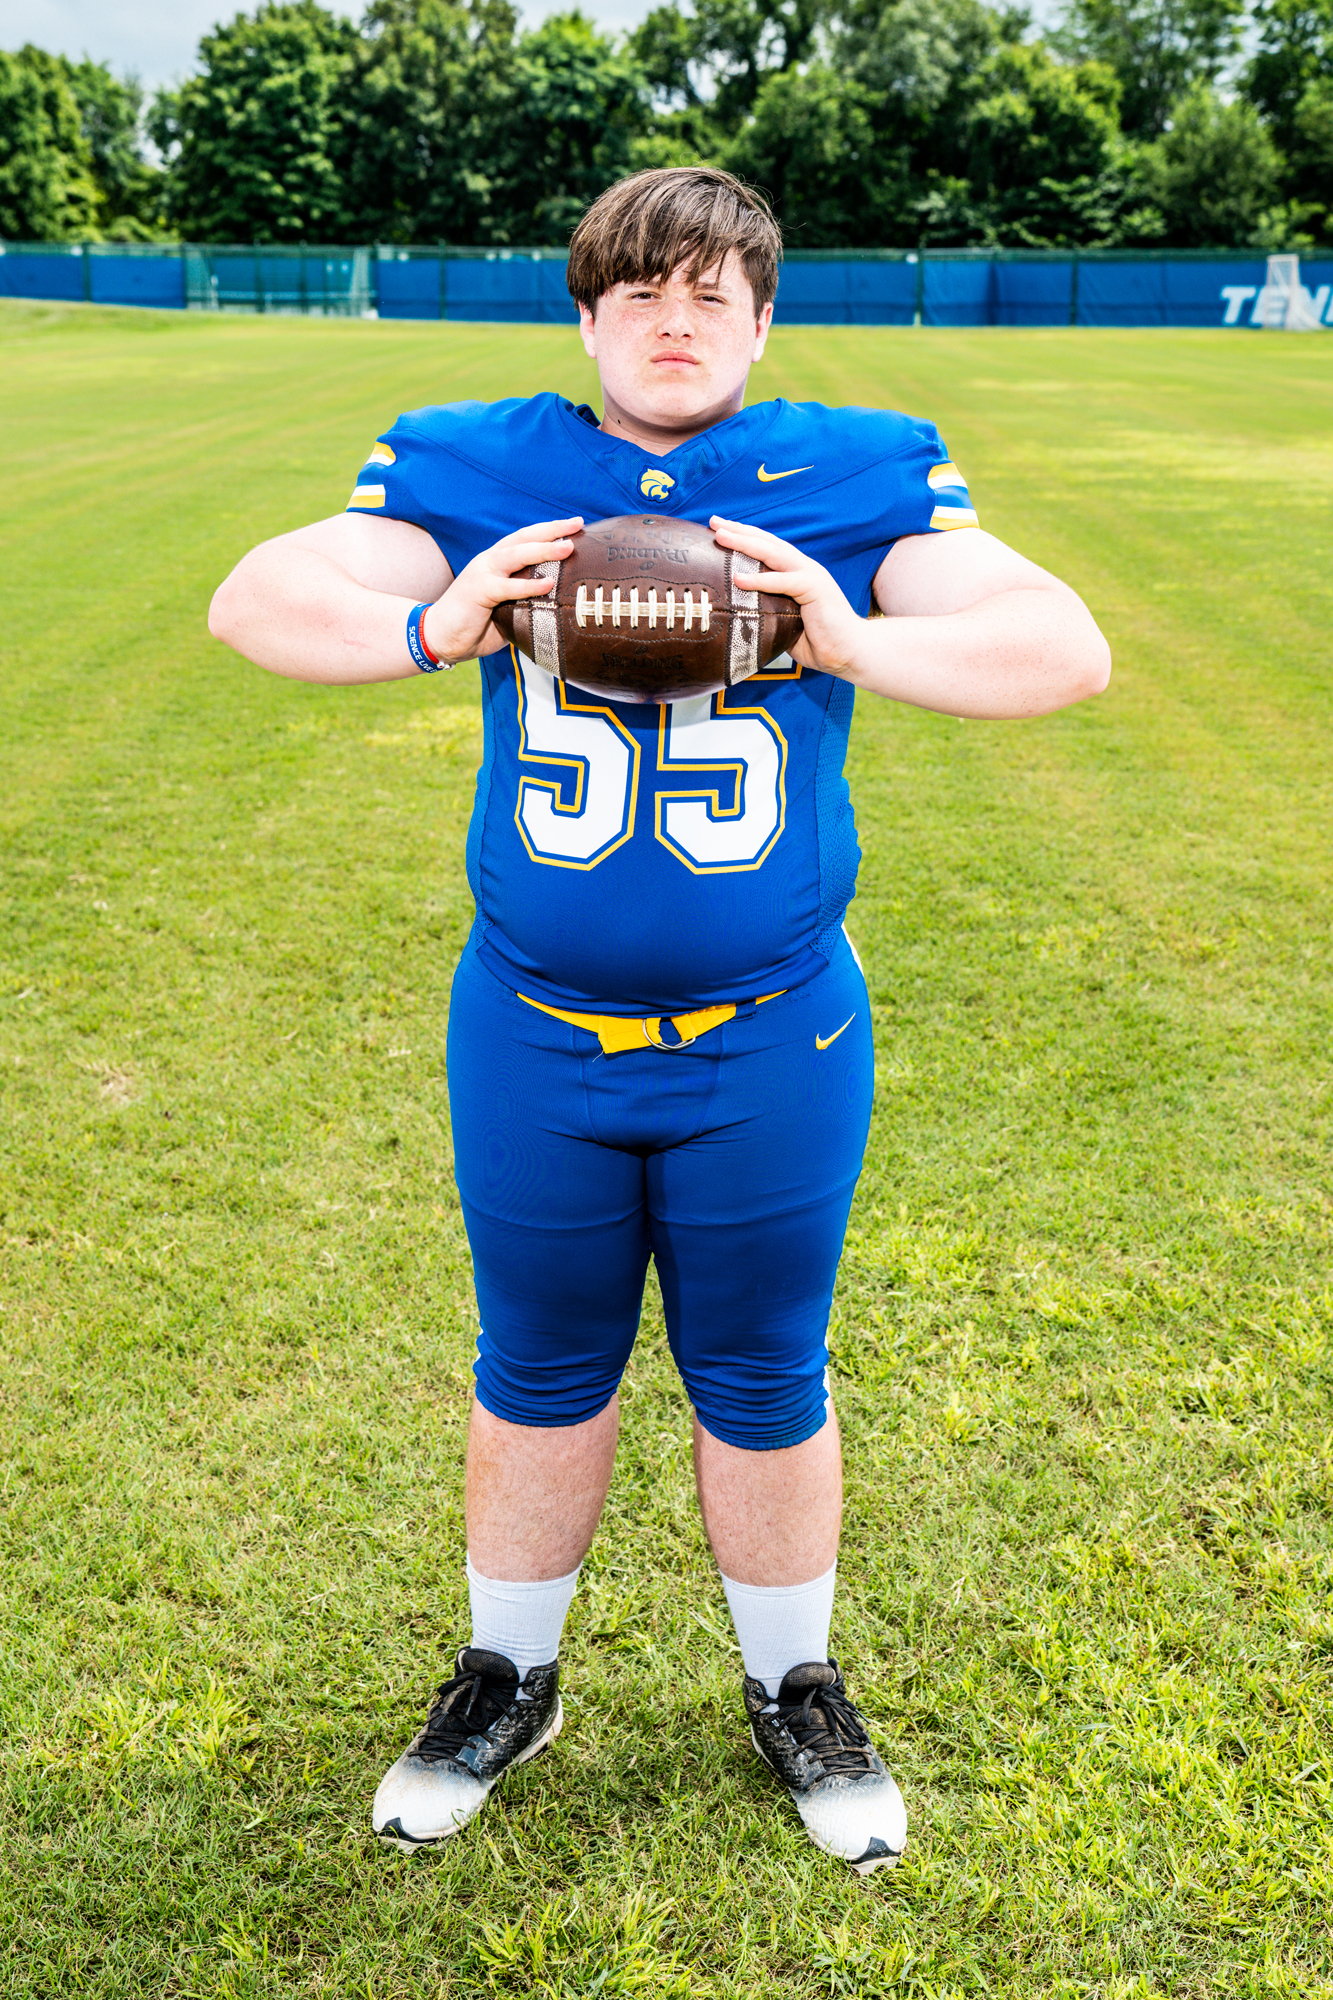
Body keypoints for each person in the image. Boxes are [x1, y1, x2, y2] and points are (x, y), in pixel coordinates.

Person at [209, 167, 1110, 1876]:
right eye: (640, 292)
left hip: (769, 1034)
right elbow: (253, 599)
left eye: (711, 296)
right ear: (588, 316)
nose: (674, 322)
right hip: (532, 1030)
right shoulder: (478, 465)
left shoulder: (853, 473)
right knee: (535, 1365)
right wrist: (433, 622)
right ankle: (507, 1677)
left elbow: (1060, 648)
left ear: (762, 324)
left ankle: (794, 1686)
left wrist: (845, 636)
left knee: (763, 1368)